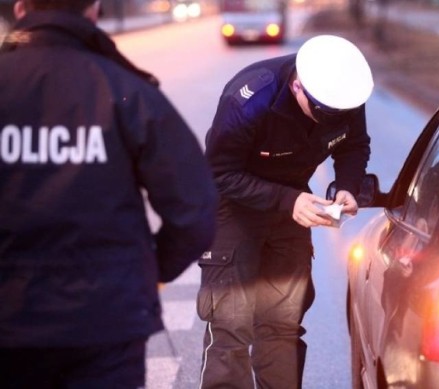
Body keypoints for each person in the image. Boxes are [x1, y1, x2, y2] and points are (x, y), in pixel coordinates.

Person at [0, 1, 219, 388]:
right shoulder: (124, 89)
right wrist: (149, 271)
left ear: (20, 9)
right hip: (106, 320)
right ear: (94, 10)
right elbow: (196, 210)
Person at [197, 34, 374, 388]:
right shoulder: (248, 101)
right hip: (233, 205)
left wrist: (347, 186)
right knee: (231, 324)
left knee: (282, 323)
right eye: (323, 114)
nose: (331, 122)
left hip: (291, 205)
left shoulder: (343, 94)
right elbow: (218, 173)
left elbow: (354, 146)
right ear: (297, 87)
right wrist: (288, 200)